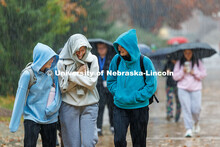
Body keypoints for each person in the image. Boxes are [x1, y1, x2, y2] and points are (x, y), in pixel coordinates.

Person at [107, 29, 157, 147]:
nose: (119, 49)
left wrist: (136, 96)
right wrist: (118, 93)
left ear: (130, 46)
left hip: (139, 108)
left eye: (122, 46)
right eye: (118, 46)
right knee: (118, 140)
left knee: (139, 143)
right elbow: (111, 80)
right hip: (120, 106)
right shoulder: (117, 60)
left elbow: (151, 85)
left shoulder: (145, 62)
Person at [9, 43, 61, 147]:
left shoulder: (53, 72)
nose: (52, 60)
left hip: (50, 118)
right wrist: (14, 124)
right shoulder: (27, 74)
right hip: (32, 116)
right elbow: (20, 99)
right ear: (41, 58)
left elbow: (58, 93)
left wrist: (53, 108)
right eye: (49, 58)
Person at [57, 34, 99, 147]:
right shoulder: (61, 63)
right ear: (71, 49)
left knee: (88, 143)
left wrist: (70, 77)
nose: (80, 54)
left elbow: (91, 83)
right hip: (68, 105)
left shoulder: (92, 60)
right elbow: (62, 88)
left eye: (83, 50)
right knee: (71, 144)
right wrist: (79, 74)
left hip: (90, 104)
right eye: (77, 51)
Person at [173, 49, 207, 137]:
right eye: (186, 53)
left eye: (189, 53)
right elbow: (175, 77)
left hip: (196, 89)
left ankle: (196, 122)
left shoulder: (198, 62)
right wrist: (182, 72)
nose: (187, 55)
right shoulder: (179, 63)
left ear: (192, 53)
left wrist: (194, 72)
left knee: (196, 109)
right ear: (183, 54)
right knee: (186, 109)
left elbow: (203, 74)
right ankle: (189, 129)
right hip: (183, 89)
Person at [96, 42, 114, 136]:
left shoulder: (111, 58)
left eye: (103, 48)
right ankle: (98, 127)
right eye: (99, 48)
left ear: (106, 48)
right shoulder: (95, 59)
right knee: (100, 107)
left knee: (111, 107)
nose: (101, 50)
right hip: (99, 87)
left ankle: (113, 126)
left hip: (110, 87)